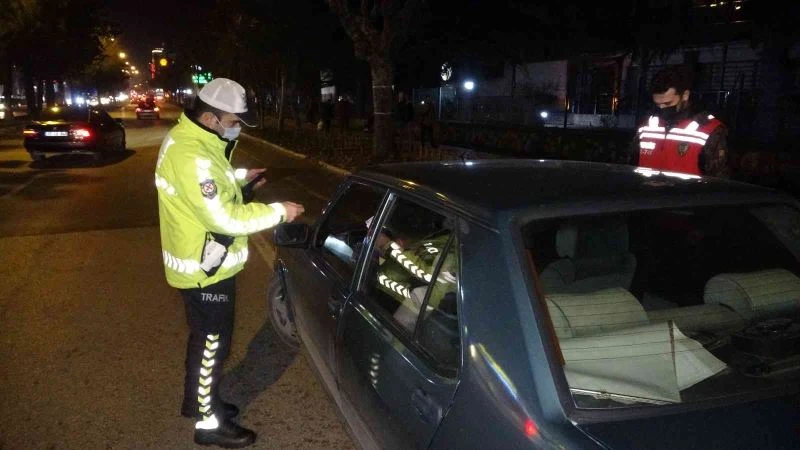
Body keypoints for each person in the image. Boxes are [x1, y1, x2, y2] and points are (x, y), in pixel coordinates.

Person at [154, 77, 305, 448]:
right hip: (205, 270)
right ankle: (208, 425)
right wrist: (277, 211)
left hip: (206, 261)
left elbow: (213, 186)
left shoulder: (197, 142)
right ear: (210, 118)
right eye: (234, 120)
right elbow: (222, 217)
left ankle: (198, 401)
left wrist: (242, 180)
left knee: (204, 343)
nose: (237, 127)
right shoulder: (192, 155)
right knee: (212, 347)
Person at [629, 65, 729, 178]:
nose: (662, 108)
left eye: (668, 104)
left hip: (685, 195)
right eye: (657, 104)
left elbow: (718, 179)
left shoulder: (708, 128)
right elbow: (632, 163)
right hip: (646, 194)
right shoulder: (647, 125)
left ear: (685, 95)